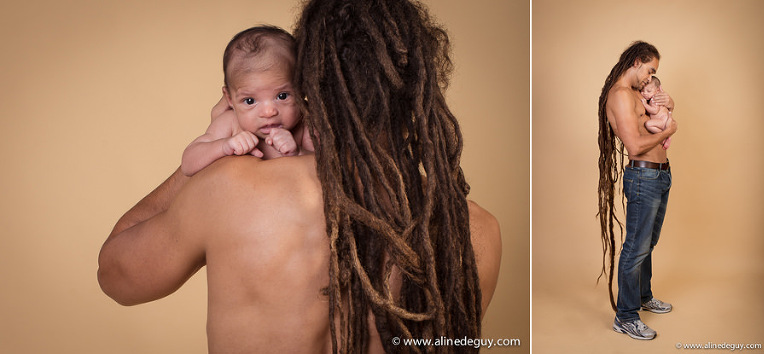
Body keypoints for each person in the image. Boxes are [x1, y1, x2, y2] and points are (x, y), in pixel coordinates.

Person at [97, 0, 502, 353]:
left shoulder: (229, 188)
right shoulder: (473, 231)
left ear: (310, 83)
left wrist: (219, 139)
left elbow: (115, 275)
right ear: (421, 89)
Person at [597, 41, 677, 340]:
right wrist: (669, 130)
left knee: (649, 242)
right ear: (637, 61)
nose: (650, 77)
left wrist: (669, 103)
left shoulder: (636, 94)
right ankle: (626, 316)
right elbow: (634, 146)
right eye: (650, 70)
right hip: (643, 178)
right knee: (636, 247)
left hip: (660, 175)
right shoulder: (619, 96)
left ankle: (643, 296)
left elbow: (653, 116)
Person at [181, 25, 313, 177]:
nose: (268, 112)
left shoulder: (305, 124)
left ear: (302, 90)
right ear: (229, 99)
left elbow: (326, 167)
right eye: (250, 101)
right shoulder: (230, 123)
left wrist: (298, 152)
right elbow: (188, 164)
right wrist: (224, 146)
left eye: (282, 96)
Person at [640, 76, 672, 149]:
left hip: (663, 121)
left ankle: (663, 136)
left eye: (648, 91)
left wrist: (645, 104)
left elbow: (655, 111)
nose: (644, 93)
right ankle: (665, 136)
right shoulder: (652, 97)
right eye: (642, 90)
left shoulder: (655, 99)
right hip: (664, 120)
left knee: (648, 124)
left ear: (657, 91)